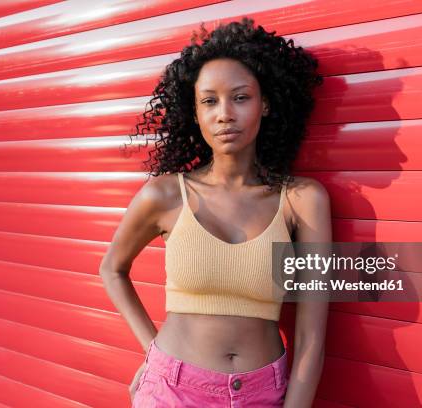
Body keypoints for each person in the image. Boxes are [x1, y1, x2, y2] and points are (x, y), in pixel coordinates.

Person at [99, 17, 331, 407]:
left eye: (240, 97)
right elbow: (112, 268)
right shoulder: (166, 195)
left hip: (263, 394)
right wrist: (151, 352)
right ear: (194, 113)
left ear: (266, 103)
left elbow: (312, 338)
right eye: (209, 101)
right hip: (171, 390)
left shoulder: (303, 200)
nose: (224, 113)